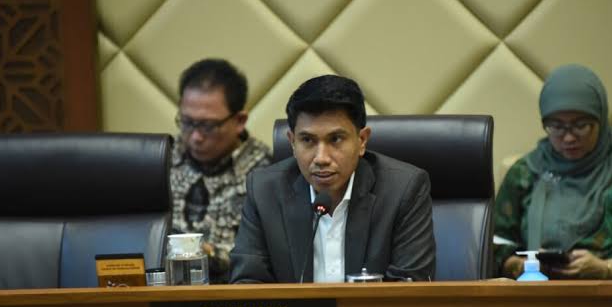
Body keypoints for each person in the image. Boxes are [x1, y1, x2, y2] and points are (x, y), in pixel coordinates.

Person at [229, 75, 435, 283]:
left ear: (362, 140)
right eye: (307, 140)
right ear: (292, 142)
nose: (321, 158)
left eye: (336, 139)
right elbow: (248, 285)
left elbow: (409, 287)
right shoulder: (264, 191)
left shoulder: (403, 189)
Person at [495, 64, 612, 280]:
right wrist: (522, 266)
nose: (569, 138)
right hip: (537, 291)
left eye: (581, 125)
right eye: (556, 126)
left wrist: (607, 269)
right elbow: (495, 244)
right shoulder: (525, 172)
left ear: (600, 120)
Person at [170, 58, 271, 283]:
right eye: (187, 122)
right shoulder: (161, 159)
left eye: (209, 126)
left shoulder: (266, 174)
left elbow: (260, 260)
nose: (196, 137)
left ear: (240, 120)